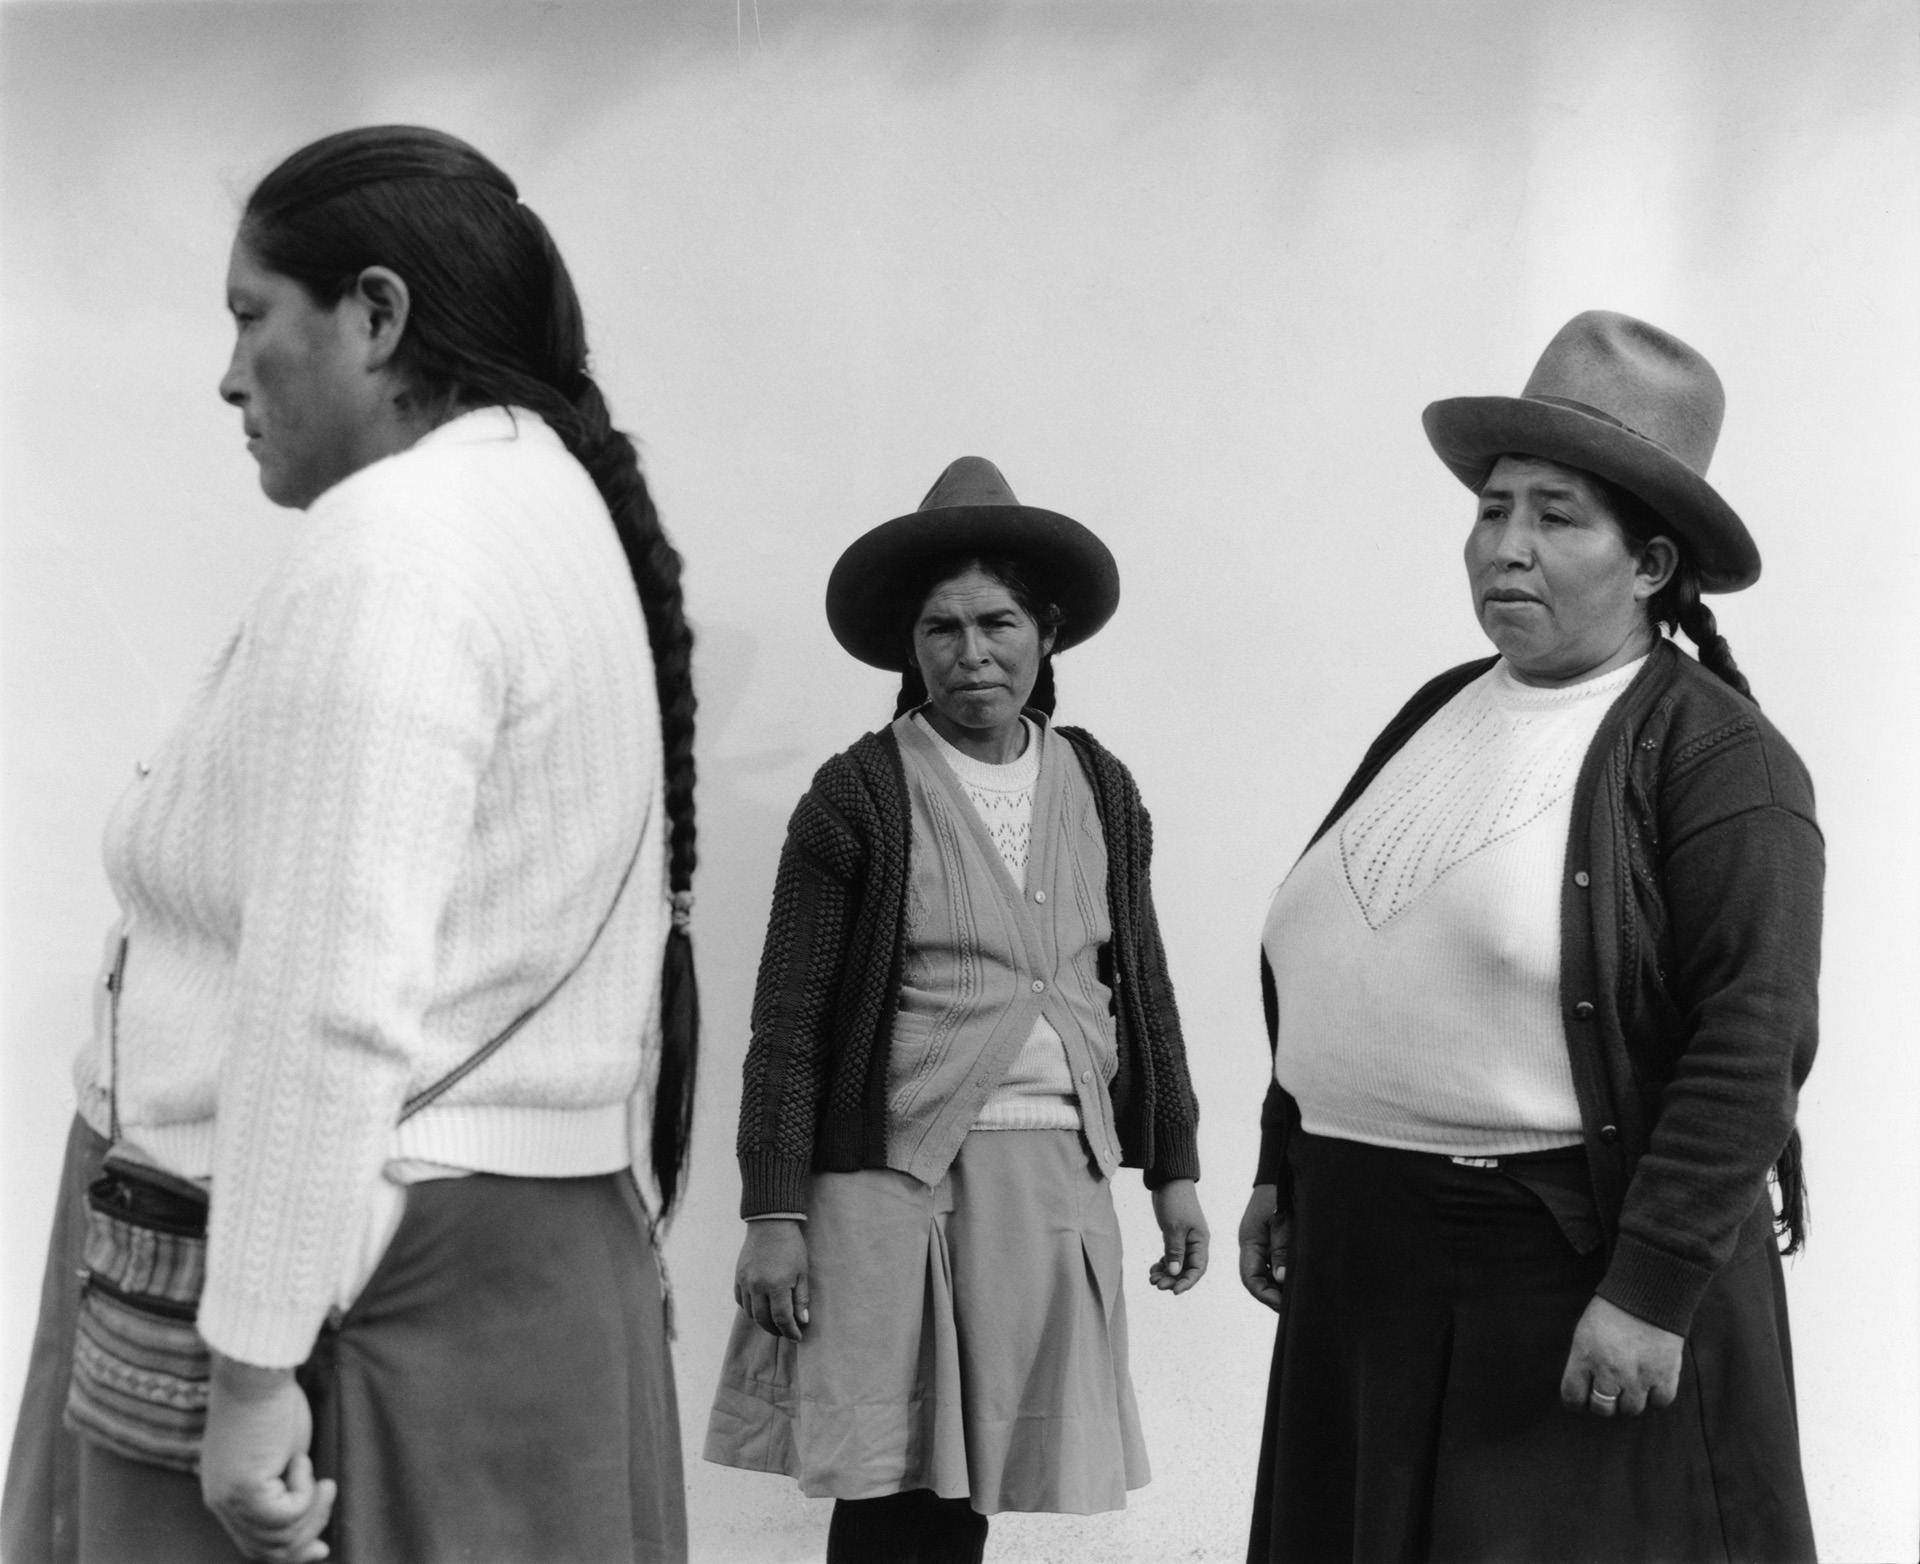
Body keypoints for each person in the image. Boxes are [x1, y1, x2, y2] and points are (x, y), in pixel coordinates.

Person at [1, 126, 697, 1564]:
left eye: (254, 315)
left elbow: (330, 996)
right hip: (506, 1265)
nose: (230, 371)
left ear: (376, 315)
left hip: (342, 1295)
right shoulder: (536, 500)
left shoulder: (398, 548)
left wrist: (251, 1376)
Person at [1239, 311, 1820, 1562]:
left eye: (1556, 518)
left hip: (1554, 1274)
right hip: (1369, 1262)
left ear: (1652, 563)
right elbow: (1335, 953)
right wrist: (1285, 1162)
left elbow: (1752, 1039)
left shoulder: (1718, 759)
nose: (1506, 547)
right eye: (1494, 508)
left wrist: (1652, 1288)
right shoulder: (1437, 711)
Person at [704, 458, 1208, 1564]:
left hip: (1049, 1180)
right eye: (941, 629)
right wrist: (773, 1211)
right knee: (892, 1488)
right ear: (907, 644)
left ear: (1047, 633)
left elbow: (1144, 988)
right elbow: (789, 1021)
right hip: (894, 1187)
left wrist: (1174, 1170)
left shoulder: (1102, 788)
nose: (972, 655)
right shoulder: (861, 792)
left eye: (999, 623)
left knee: (971, 1485)